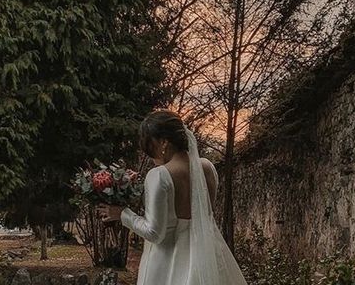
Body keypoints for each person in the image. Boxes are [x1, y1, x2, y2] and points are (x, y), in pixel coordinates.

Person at [98, 110, 248, 284]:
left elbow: (154, 233)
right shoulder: (207, 168)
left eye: (150, 145)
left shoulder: (159, 175)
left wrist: (122, 214)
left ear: (163, 143)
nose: (150, 154)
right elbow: (202, 216)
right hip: (207, 257)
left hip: (169, 263)